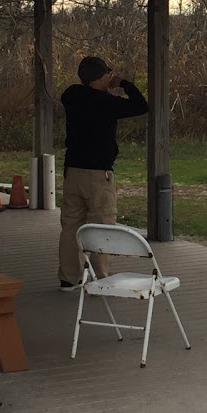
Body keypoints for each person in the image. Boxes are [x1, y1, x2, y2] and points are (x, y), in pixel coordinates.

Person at [58, 55, 148, 289]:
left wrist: (105, 88)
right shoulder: (106, 104)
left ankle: (69, 277)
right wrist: (124, 84)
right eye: (108, 74)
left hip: (73, 171)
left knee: (70, 227)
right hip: (99, 175)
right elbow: (141, 105)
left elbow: (73, 94)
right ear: (101, 77)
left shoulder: (72, 96)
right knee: (102, 226)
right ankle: (102, 276)